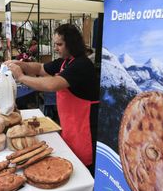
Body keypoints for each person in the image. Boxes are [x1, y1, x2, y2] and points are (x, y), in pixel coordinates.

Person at [6, 24, 99, 171]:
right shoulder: (66, 61)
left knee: (85, 169)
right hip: (70, 124)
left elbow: (52, 84)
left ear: (72, 44)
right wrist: (21, 64)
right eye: (55, 44)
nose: (56, 48)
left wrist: (21, 77)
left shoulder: (81, 64)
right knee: (73, 161)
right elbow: (40, 68)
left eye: (59, 44)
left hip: (85, 127)